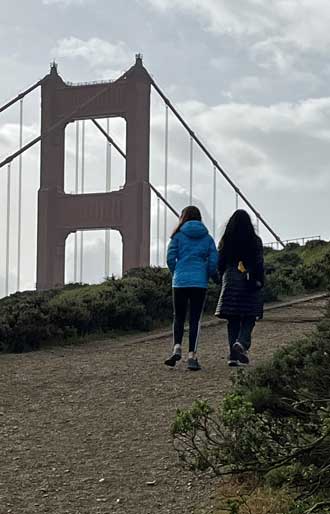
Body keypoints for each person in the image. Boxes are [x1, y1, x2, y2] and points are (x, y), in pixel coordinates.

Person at [165, 206, 218, 371]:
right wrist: (206, 274)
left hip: (179, 282)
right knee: (195, 319)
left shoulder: (178, 236)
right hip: (199, 283)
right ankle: (192, 356)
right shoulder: (207, 238)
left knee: (178, 317)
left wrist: (177, 273)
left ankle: (177, 347)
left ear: (183, 218)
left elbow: (170, 258)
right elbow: (214, 260)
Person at [215, 209, 264, 367]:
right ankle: (241, 343)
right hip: (249, 282)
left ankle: (232, 356)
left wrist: (222, 280)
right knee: (250, 317)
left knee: (233, 320)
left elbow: (220, 264)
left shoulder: (226, 240)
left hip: (230, 282)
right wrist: (260, 280)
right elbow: (259, 263)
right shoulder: (255, 240)